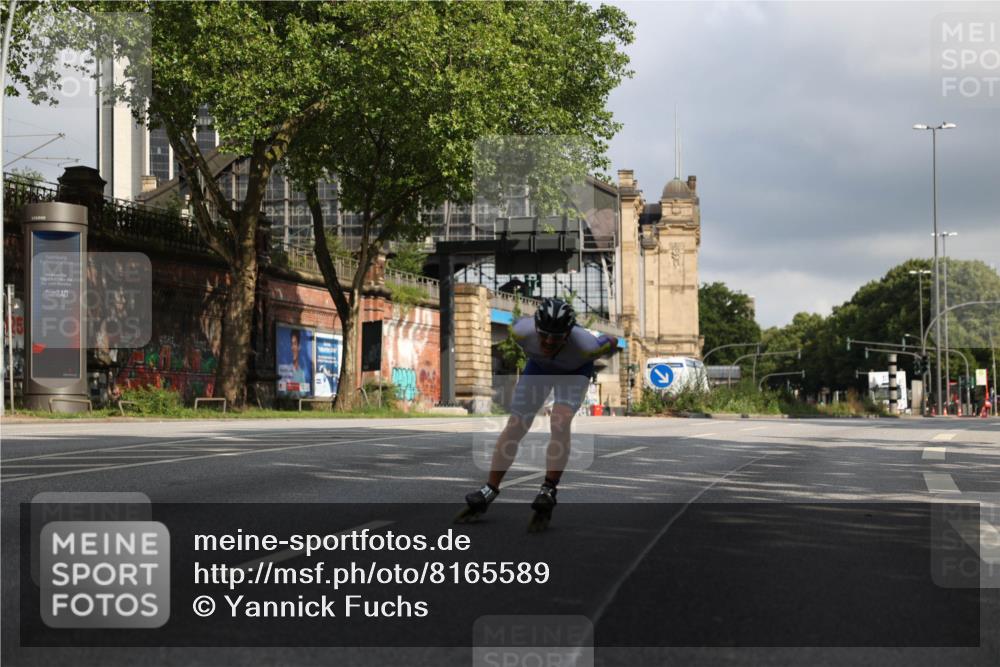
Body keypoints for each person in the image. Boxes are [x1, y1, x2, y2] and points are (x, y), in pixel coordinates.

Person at [458, 297, 618, 528]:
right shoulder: (520, 331)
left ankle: (548, 489)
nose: (549, 342)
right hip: (539, 368)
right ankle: (489, 489)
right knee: (516, 425)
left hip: (574, 370)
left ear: (569, 333)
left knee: (559, 422)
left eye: (557, 337)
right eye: (544, 335)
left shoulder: (587, 346)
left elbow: (610, 341)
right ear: (535, 328)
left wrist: (609, 344)